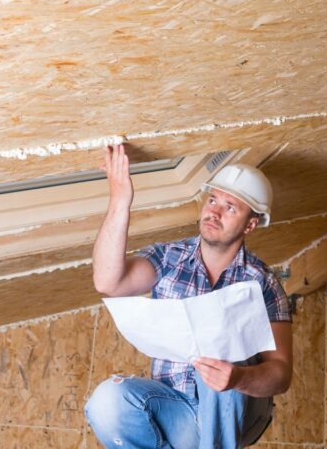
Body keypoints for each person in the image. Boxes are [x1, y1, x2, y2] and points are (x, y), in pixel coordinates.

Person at [85, 144, 293, 449]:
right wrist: (120, 200)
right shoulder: (169, 258)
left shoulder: (263, 283)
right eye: (213, 200)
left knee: (224, 343)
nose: (214, 212)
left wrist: (238, 378)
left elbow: (281, 373)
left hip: (235, 414)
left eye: (230, 207)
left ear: (250, 224)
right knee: (107, 401)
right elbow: (107, 281)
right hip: (175, 410)